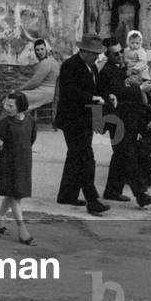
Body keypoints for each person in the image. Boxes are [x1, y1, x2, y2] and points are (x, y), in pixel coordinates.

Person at [54, 34, 109, 215]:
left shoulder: (91, 66)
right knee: (86, 159)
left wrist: (107, 96)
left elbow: (97, 88)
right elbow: (70, 92)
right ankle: (92, 199)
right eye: (94, 53)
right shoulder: (70, 66)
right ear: (83, 51)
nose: (97, 56)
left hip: (86, 119)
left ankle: (66, 195)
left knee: (75, 157)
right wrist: (92, 98)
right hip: (72, 120)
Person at [99, 38, 151, 208]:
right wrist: (139, 89)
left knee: (120, 156)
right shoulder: (107, 72)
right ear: (108, 55)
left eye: (120, 52)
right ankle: (141, 194)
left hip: (127, 118)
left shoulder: (120, 67)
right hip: (116, 120)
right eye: (115, 54)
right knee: (128, 156)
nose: (120, 56)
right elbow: (119, 91)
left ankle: (112, 190)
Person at [0, 92, 37, 245]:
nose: (7, 107)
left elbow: (31, 139)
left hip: (24, 162)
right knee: (15, 195)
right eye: (6, 104)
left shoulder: (30, 120)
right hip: (8, 163)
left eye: (11, 105)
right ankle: (22, 230)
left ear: (21, 106)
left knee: (12, 194)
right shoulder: (4, 122)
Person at [20, 39, 60, 111]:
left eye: (42, 49)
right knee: (18, 97)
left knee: (16, 97)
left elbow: (34, 83)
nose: (40, 52)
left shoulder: (46, 62)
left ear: (46, 49)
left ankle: (13, 121)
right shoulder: (54, 60)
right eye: (37, 50)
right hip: (51, 92)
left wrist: (18, 90)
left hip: (45, 94)